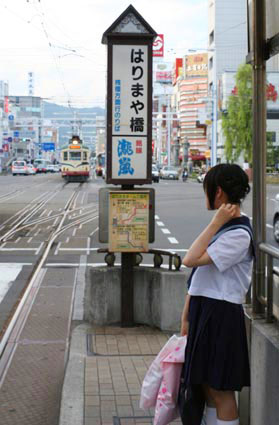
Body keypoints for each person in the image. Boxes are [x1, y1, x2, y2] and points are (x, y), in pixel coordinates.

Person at [179, 163, 254, 425]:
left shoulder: (238, 234)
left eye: (207, 190)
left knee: (220, 389)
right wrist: (187, 316)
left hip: (221, 313)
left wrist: (215, 222)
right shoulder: (227, 227)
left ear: (218, 192)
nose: (206, 195)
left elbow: (190, 260)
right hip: (206, 309)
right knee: (208, 388)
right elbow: (200, 278)